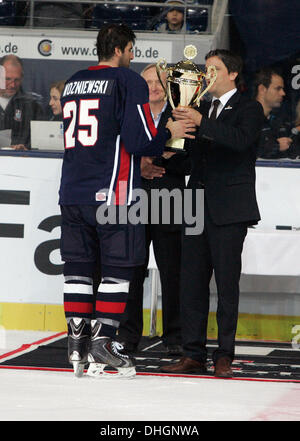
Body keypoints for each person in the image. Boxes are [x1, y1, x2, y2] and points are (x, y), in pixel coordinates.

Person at [59, 23, 195, 378]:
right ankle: (104, 340)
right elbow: (140, 141)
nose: (134, 57)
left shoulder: (73, 80)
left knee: (78, 267)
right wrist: (170, 132)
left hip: (72, 189)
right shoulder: (127, 80)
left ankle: (76, 344)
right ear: (122, 48)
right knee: (118, 268)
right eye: (133, 50)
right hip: (113, 193)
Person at [160, 49, 264, 377]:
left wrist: (202, 121)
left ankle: (224, 354)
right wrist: (165, 147)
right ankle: (192, 352)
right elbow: (187, 157)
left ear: (233, 73)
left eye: (214, 69)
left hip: (230, 210)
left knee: (226, 284)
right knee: (190, 283)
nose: (207, 76)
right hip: (195, 206)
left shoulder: (249, 108)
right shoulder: (199, 107)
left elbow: (239, 141)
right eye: (205, 70)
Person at [118, 64, 191, 355]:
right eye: (147, 81)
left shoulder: (180, 116)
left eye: (159, 81)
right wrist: (141, 163)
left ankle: (175, 337)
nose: (154, 86)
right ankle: (127, 335)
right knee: (132, 271)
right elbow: (123, 154)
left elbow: (187, 161)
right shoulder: (130, 115)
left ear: (169, 86)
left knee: (173, 272)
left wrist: (151, 160)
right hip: (133, 201)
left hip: (169, 203)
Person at [0, 54, 45, 150]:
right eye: (7, 79)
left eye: (17, 80)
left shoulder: (33, 105)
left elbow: (41, 141)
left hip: (22, 161)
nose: (12, 85)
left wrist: (25, 148)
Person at [254, 67, 299, 159]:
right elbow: (242, 147)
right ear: (262, 89)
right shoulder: (245, 118)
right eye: (278, 89)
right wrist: (276, 146)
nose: (283, 93)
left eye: (282, 89)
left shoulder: (278, 121)